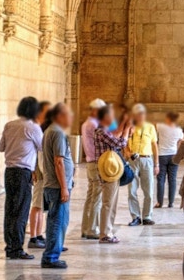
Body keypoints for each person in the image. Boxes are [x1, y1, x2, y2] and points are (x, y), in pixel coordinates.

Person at [0, 96, 43, 260]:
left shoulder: (9, 125)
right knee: (21, 211)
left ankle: (10, 245)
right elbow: (42, 147)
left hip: (9, 172)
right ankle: (17, 248)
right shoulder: (33, 128)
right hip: (23, 172)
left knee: (10, 210)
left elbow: (1, 147)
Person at [39, 103, 75, 269]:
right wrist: (64, 187)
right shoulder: (57, 132)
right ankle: (51, 257)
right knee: (57, 221)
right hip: (57, 186)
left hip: (54, 184)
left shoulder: (50, 131)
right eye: (68, 115)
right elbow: (58, 162)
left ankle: (53, 252)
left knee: (58, 220)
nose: (71, 118)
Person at [92, 105, 128, 243]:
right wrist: (126, 130)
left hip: (110, 170)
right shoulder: (101, 132)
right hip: (108, 170)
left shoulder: (105, 131)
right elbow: (120, 143)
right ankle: (105, 234)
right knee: (108, 202)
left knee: (112, 202)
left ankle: (109, 231)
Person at [125, 104, 159, 226]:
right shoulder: (129, 127)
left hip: (146, 159)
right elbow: (125, 144)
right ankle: (135, 216)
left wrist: (156, 164)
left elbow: (154, 146)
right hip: (133, 160)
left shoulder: (150, 127)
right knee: (132, 190)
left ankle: (147, 216)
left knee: (148, 189)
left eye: (142, 114)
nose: (140, 116)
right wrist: (129, 154)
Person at [79, 98, 107, 240]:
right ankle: (91, 229)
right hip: (96, 163)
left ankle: (86, 227)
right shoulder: (94, 124)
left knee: (90, 196)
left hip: (90, 162)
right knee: (96, 197)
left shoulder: (86, 123)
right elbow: (110, 136)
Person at [27, 101, 51, 249]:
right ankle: (33, 236)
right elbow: (37, 153)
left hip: (43, 174)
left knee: (41, 207)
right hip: (40, 174)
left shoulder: (41, 130)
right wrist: (35, 171)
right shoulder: (35, 129)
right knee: (37, 206)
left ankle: (39, 234)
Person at [155, 112, 184, 208]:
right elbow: (180, 141)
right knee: (172, 179)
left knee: (161, 179)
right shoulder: (179, 129)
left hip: (162, 154)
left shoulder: (160, 126)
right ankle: (171, 203)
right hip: (174, 154)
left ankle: (160, 202)